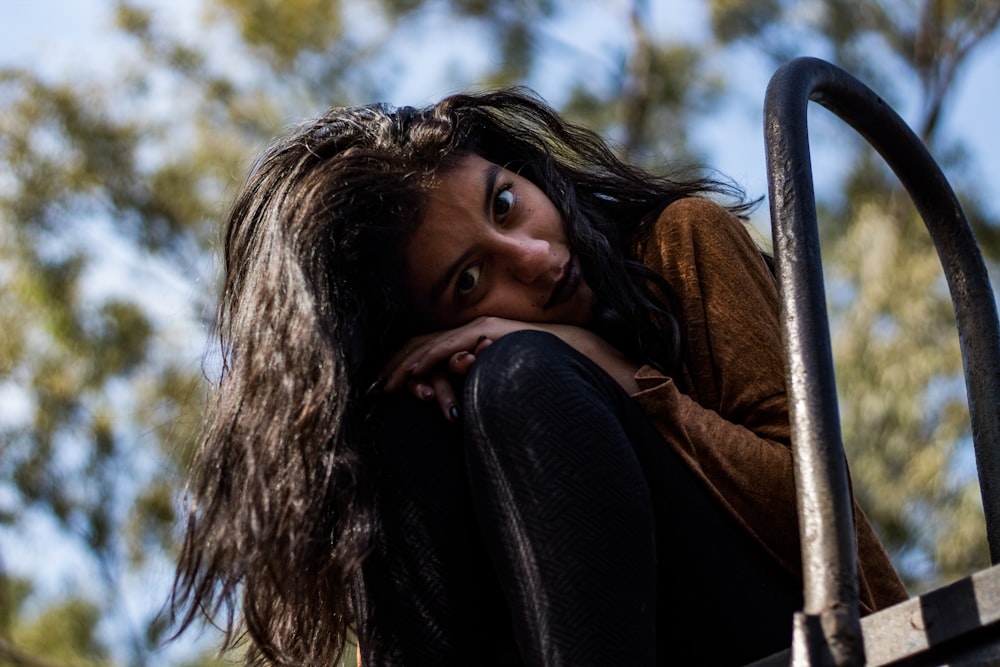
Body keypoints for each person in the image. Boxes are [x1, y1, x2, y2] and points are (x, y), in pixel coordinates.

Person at [170, 88, 908, 666]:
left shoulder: (683, 239)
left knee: (524, 376)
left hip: (806, 630)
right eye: (468, 280)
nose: (530, 257)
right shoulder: (451, 386)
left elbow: (814, 513)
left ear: (522, 169)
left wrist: (603, 365)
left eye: (504, 203)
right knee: (398, 429)